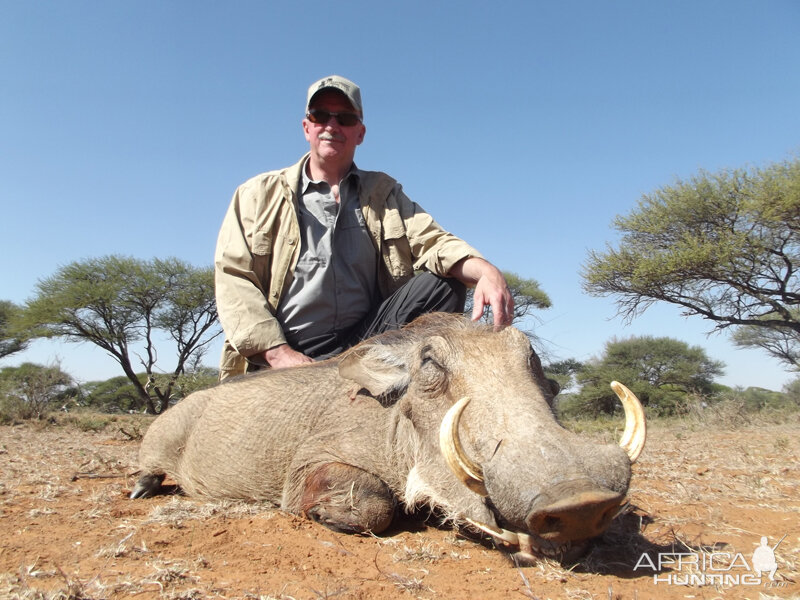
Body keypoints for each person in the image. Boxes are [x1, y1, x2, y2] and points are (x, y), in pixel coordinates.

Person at [214, 75, 513, 379]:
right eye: (320, 116)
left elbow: (434, 241)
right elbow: (234, 277)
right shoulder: (256, 194)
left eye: (344, 118)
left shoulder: (383, 193)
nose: (331, 126)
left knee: (445, 284)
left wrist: (487, 272)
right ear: (306, 127)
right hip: (288, 345)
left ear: (360, 133)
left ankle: (400, 381)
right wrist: (279, 355)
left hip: (368, 341)